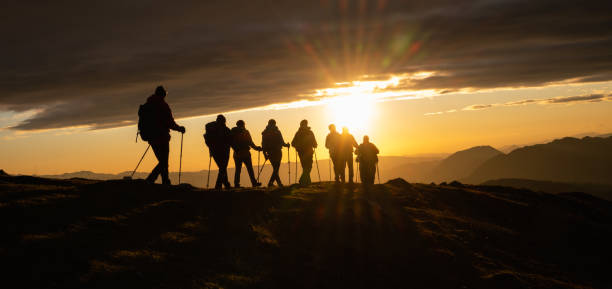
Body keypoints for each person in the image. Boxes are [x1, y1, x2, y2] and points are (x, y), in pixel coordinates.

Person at [143, 86, 185, 185]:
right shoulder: (163, 105)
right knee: (164, 161)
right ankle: (151, 179)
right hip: (162, 137)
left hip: (151, 137)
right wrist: (179, 129)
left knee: (162, 161)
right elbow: (170, 122)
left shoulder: (148, 104)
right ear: (163, 94)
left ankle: (165, 181)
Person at [230, 120, 262, 188]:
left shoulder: (233, 132)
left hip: (237, 154)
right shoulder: (245, 132)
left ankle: (237, 184)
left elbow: (231, 143)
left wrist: (256, 148)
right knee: (249, 169)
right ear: (243, 125)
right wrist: (257, 148)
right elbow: (250, 142)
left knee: (238, 169)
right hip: (245, 153)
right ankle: (253, 183)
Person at [204, 114, 232, 190]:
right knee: (223, 168)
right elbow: (230, 141)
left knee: (222, 168)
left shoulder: (210, 128)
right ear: (224, 121)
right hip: (224, 151)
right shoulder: (226, 130)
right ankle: (218, 186)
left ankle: (226, 184)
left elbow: (207, 139)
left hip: (214, 151)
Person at [261, 119, 290, 187]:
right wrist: (287, 145)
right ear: (274, 124)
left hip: (270, 153)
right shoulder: (277, 131)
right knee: (276, 168)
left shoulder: (265, 132)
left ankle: (279, 183)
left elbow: (263, 144)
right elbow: (282, 142)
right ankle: (271, 183)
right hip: (277, 152)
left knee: (275, 168)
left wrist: (264, 154)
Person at [291, 119, 317, 185]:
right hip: (308, 152)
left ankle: (307, 181)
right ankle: (302, 180)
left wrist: (298, 147)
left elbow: (293, 143)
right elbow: (314, 142)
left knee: (305, 167)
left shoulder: (298, 133)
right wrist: (314, 145)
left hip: (301, 152)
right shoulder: (309, 132)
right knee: (308, 167)